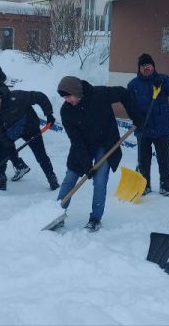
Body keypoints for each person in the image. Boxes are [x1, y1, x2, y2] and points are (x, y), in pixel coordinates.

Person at [55, 76, 143, 232]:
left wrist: (135, 116)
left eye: (68, 96)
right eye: (63, 97)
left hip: (105, 143)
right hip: (83, 146)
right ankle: (56, 214)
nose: (66, 100)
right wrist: (86, 165)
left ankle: (95, 218)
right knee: (70, 178)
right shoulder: (66, 111)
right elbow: (76, 141)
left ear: (77, 92)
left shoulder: (99, 94)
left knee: (100, 180)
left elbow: (123, 93)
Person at [0, 87, 60, 192]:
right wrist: (7, 144)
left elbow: (39, 96)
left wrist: (49, 113)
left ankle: (52, 178)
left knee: (40, 154)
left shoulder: (17, 97)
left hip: (30, 127)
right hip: (13, 130)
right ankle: (0, 179)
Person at [127, 53, 169, 197]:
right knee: (144, 160)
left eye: (148, 65)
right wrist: (136, 120)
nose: (146, 68)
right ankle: (145, 185)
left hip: (161, 128)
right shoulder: (133, 85)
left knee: (164, 159)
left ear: (153, 66)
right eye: (143, 66)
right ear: (139, 68)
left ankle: (165, 186)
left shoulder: (163, 79)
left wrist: (165, 83)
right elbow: (129, 106)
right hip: (143, 129)